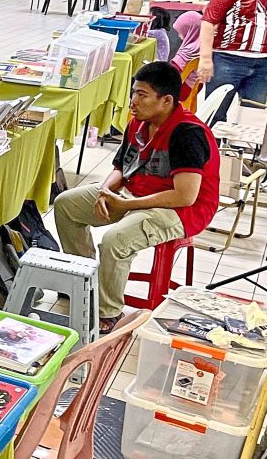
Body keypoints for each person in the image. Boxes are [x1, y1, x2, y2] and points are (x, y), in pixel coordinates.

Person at [54, 62, 219, 333]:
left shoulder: (187, 133)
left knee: (115, 240)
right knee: (66, 205)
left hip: (180, 210)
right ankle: (85, 282)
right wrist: (106, 191)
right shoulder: (138, 122)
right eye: (134, 93)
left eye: (142, 95)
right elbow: (121, 167)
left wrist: (128, 205)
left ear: (166, 101)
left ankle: (108, 313)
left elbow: (185, 196)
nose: (133, 101)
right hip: (135, 192)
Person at [171, 10, 203, 101]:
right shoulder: (203, 46)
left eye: (180, 32)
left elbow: (172, 73)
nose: (179, 35)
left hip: (180, 91)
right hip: (195, 87)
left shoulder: (187, 51)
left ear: (189, 30)